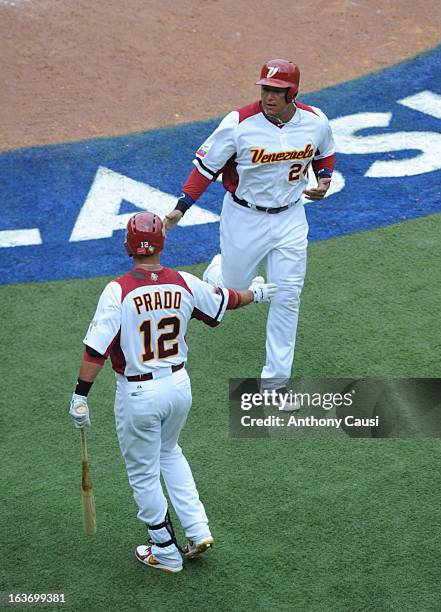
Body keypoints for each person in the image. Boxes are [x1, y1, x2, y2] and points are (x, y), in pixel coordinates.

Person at [69, 211, 277, 573]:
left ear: (128, 246)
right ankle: (197, 529)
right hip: (179, 387)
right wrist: (256, 294)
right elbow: (223, 302)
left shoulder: (118, 290)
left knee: (144, 473)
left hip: (139, 394)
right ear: (161, 243)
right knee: (170, 452)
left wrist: (80, 395)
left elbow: (95, 351)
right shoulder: (181, 282)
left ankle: (163, 549)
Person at [163, 59, 336, 409]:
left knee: (287, 296)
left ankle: (275, 384)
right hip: (244, 218)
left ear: (293, 92)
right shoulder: (239, 124)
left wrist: (324, 179)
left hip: (290, 219)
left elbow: (325, 153)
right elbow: (205, 168)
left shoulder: (315, 121)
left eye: (276, 91)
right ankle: (217, 270)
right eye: (265, 89)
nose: (269, 96)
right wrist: (181, 207)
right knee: (233, 291)